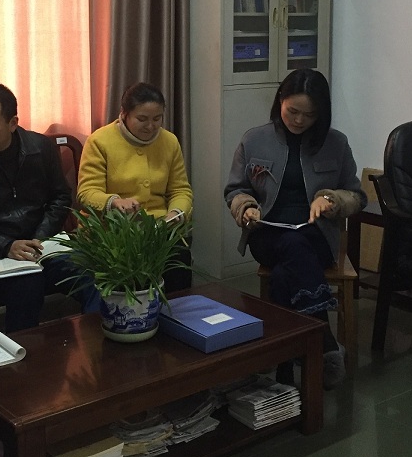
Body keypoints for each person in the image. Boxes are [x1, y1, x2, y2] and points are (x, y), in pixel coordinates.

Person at [225, 69, 365, 388]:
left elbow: (356, 195)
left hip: (316, 234)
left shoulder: (336, 143)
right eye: (293, 111)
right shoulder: (254, 139)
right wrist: (246, 207)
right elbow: (235, 190)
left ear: (322, 114)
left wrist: (330, 200)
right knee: (290, 245)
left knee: (284, 272)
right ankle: (324, 343)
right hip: (267, 232)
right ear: (280, 102)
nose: (300, 120)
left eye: (310, 115)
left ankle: (283, 360)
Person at [0, 82, 97, 330]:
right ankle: (24, 352)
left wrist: (39, 238)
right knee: (27, 284)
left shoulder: (40, 148)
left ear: (12, 123)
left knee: (92, 274)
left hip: (42, 245)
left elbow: (60, 197)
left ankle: (97, 344)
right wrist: (5, 245)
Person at [77, 82, 194, 290]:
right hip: (112, 231)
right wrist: (114, 202)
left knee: (178, 259)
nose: (151, 126)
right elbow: (86, 193)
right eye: (142, 119)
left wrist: (175, 213)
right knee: (128, 272)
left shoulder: (169, 141)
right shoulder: (99, 141)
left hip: (158, 228)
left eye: (157, 119)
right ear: (124, 114)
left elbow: (180, 190)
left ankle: (176, 308)